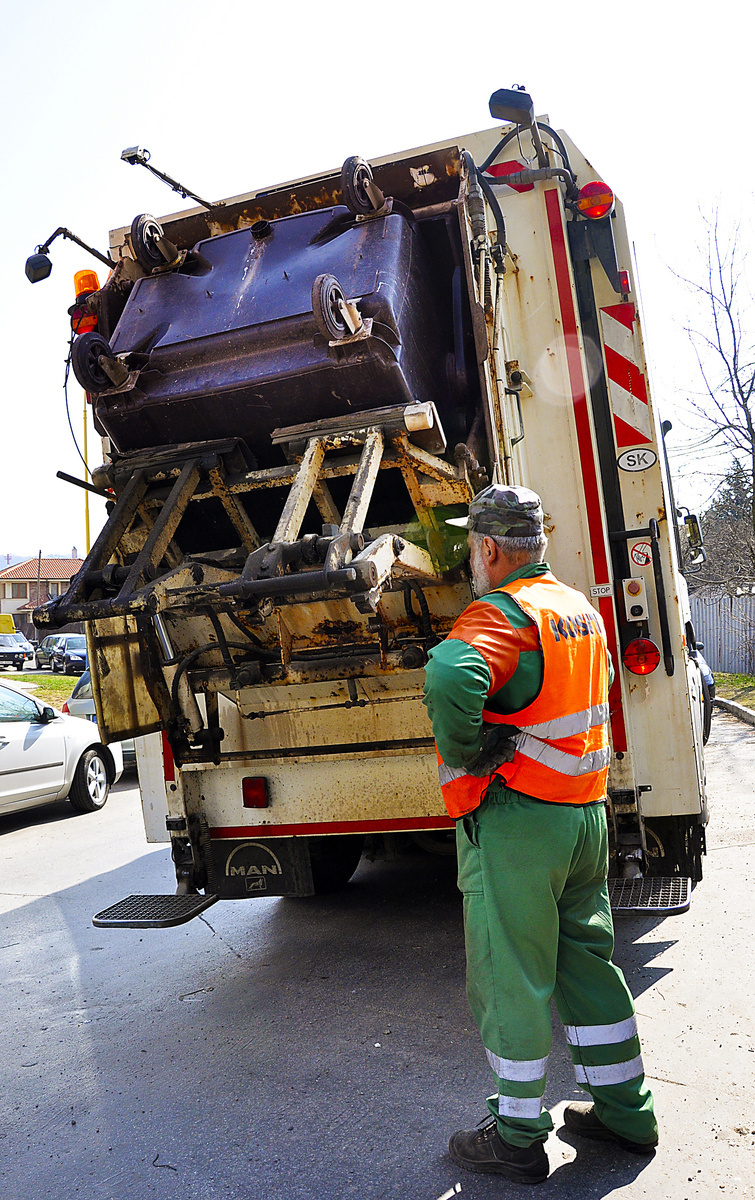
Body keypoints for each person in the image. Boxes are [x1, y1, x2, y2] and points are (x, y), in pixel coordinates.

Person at [422, 484, 658, 1185]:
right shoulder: (575, 609)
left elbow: (447, 671)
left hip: (518, 823)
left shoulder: (501, 614)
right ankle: (625, 1113)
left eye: (471, 546)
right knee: (587, 962)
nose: (471, 556)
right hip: (584, 816)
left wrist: (469, 750)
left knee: (510, 972)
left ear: (489, 549)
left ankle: (518, 1136)